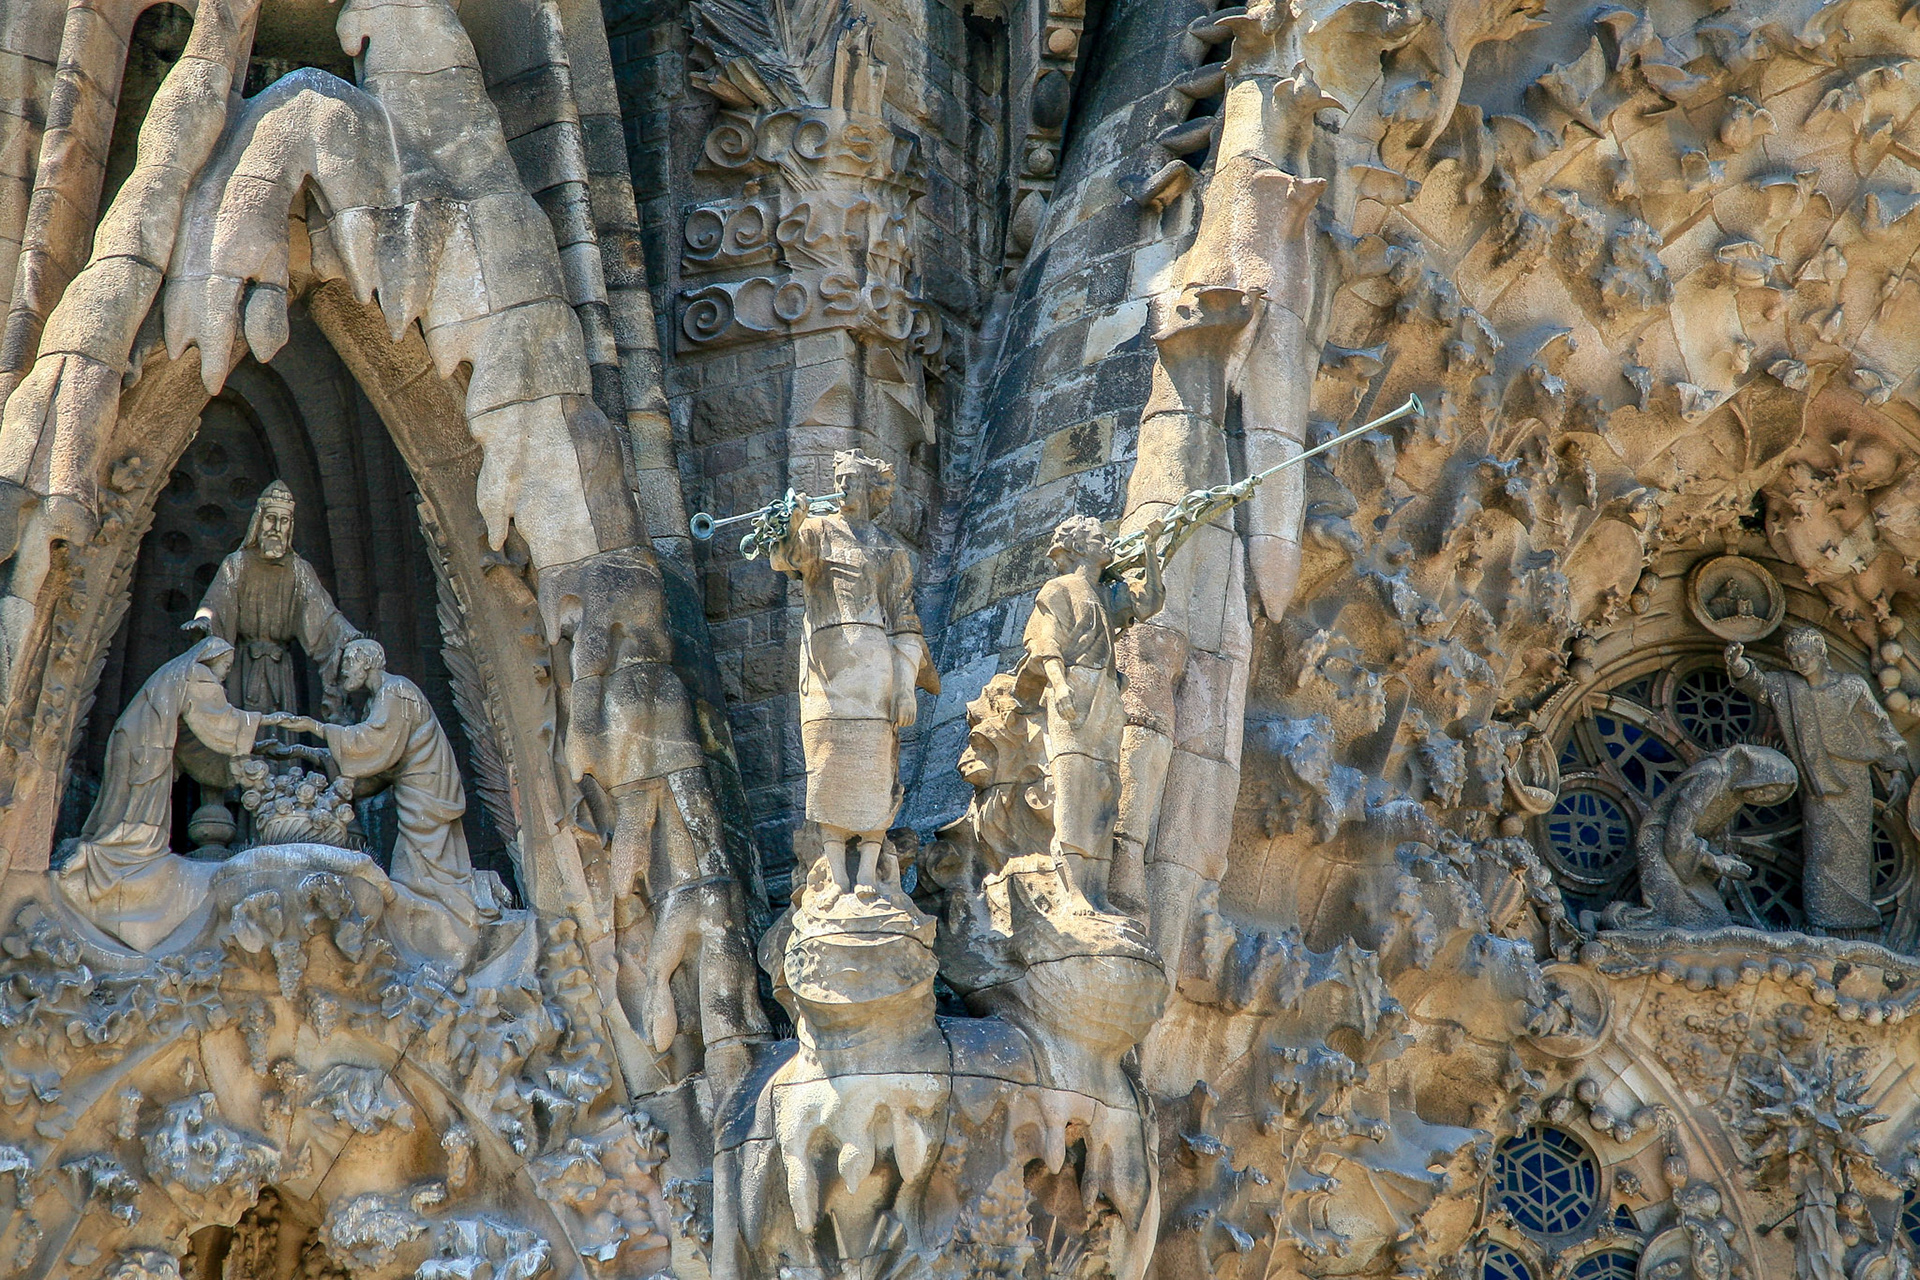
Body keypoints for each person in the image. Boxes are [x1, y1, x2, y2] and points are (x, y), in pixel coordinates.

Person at [769, 450, 939, 898]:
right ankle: (835, 871)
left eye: (851, 480)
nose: (842, 487)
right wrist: (790, 522)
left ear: (871, 490)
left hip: (873, 665)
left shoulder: (889, 550)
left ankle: (867, 869)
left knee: (876, 761)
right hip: (827, 666)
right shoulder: (818, 532)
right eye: (838, 479)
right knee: (826, 759)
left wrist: (906, 687)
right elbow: (785, 557)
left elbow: (906, 623)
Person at [57, 637, 302, 941]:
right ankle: (106, 860)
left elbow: (193, 741)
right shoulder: (197, 675)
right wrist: (265, 720)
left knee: (120, 808)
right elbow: (220, 723)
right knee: (140, 817)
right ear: (212, 658)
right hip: (147, 750)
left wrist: (237, 761)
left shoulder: (173, 675)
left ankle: (98, 853)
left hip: (131, 742)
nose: (224, 674)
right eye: (225, 666)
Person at [276, 639, 498, 927]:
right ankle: (442, 917)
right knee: (421, 868)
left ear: (366, 662)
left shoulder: (396, 691)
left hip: (425, 791)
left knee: (423, 869)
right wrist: (311, 754)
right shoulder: (379, 699)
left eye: (348, 665)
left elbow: (373, 742)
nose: (344, 675)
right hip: (415, 787)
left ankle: (454, 919)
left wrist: (314, 727)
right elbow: (379, 759)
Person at [1015, 514, 1165, 912]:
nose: (1109, 542)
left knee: (1104, 789)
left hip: (1105, 695)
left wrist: (1151, 547)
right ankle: (1074, 889)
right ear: (1079, 547)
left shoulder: (1104, 592)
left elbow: (1148, 602)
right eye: (1100, 538)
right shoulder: (1059, 588)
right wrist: (1059, 683)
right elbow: (1044, 640)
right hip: (1074, 688)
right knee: (1073, 787)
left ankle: (1097, 893)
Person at [1728, 629, 1909, 936]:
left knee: (1853, 852)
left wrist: (1895, 770)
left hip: (1852, 781)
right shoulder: (1789, 687)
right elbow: (1760, 686)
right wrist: (1739, 667)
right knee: (1821, 852)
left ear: (1821, 653)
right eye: (1794, 657)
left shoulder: (1852, 686)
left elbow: (1880, 726)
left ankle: (1857, 924)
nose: (1799, 662)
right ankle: (1823, 922)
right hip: (1819, 788)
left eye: (1805, 656)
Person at [187, 480, 361, 719]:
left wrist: (349, 638)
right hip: (243, 667)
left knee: (281, 732)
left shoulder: (299, 570)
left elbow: (325, 618)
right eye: (271, 519)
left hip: (281, 669)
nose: (276, 528)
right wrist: (203, 623)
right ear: (259, 521)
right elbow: (214, 605)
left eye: (284, 521)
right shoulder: (236, 564)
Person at [1630, 743, 1798, 929]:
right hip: (1659, 842)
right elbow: (1676, 834)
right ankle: (1617, 918)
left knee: (1713, 918)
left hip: (1685, 852)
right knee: (1674, 919)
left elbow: (1708, 836)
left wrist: (1721, 858)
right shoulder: (1712, 774)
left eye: (1773, 797)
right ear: (1758, 774)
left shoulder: (1734, 795)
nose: (1764, 797)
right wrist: (1716, 862)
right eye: (1768, 790)